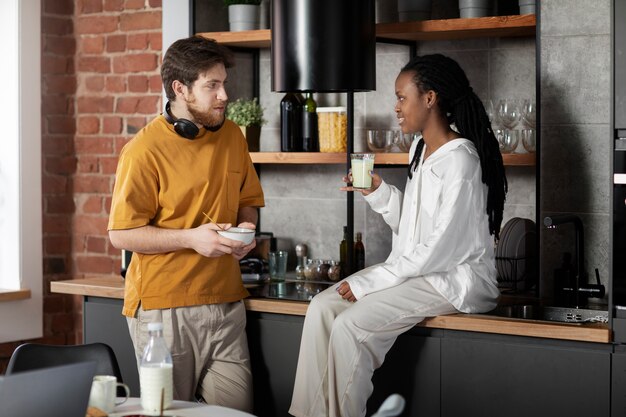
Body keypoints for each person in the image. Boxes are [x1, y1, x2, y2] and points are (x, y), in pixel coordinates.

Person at [289, 53, 507, 417]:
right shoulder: (421, 150)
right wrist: (378, 192)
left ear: (430, 98)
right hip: (421, 271)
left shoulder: (461, 160)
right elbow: (414, 230)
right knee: (322, 308)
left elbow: (442, 246)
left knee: (351, 326)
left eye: (402, 97)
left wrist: (371, 281)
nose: (396, 107)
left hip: (452, 279)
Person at [107, 36, 264, 412]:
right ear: (180, 89)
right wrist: (191, 239)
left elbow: (248, 201)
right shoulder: (143, 151)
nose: (225, 95)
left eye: (224, 83)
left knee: (237, 413)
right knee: (167, 413)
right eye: (212, 85)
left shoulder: (232, 137)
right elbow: (121, 233)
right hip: (164, 311)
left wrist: (246, 230)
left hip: (226, 304)